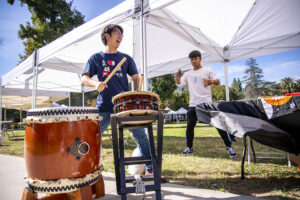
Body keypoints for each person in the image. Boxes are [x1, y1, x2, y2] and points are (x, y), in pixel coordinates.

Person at [81, 24, 155, 176]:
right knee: (92, 137)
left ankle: (150, 168)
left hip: (124, 107)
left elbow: (135, 76)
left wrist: (136, 92)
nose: (120, 36)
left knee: (141, 135)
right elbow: (84, 78)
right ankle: (88, 168)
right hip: (104, 106)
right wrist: (96, 84)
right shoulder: (96, 58)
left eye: (122, 33)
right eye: (116, 32)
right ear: (107, 36)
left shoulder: (126, 58)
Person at [174, 50, 237, 158]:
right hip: (193, 105)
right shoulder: (187, 74)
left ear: (200, 59)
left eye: (195, 59)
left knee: (219, 125)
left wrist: (210, 81)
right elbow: (180, 84)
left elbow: (218, 81)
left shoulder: (207, 70)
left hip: (206, 103)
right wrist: (176, 78)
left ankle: (229, 147)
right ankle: (189, 148)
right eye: (191, 59)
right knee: (189, 127)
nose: (193, 61)